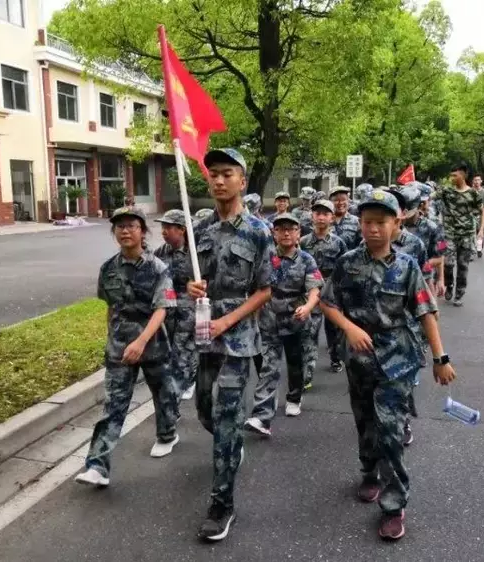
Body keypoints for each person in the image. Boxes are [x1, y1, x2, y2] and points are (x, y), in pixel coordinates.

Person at [319, 188, 456, 541]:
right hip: (360, 360)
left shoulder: (408, 266)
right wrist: (348, 328)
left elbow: (426, 312)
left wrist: (440, 359)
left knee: (391, 431)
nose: (373, 229)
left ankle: (394, 504)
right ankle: (369, 472)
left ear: (397, 224)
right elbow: (327, 302)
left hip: (397, 359)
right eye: (367, 222)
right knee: (364, 421)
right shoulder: (348, 262)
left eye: (381, 222)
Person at [186, 148, 275, 542]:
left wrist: (229, 319)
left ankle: (222, 504)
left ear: (242, 181)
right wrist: (192, 287)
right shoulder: (200, 230)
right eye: (214, 175)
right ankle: (231, 443)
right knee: (203, 407)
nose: (219, 181)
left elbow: (266, 290)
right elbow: (191, 278)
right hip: (206, 335)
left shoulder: (258, 231)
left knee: (225, 417)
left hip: (237, 338)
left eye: (227, 174)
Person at [75, 206, 179, 488]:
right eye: (119, 226)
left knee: (164, 394)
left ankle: (167, 433)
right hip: (120, 346)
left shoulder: (158, 268)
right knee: (114, 405)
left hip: (152, 342)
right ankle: (97, 465)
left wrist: (141, 342)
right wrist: (114, 338)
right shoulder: (108, 269)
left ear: (142, 232)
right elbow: (111, 308)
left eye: (131, 225)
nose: (125, 231)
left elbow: (162, 310)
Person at [244, 213, 323, 436]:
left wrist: (308, 307)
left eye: (291, 229)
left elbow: (315, 289)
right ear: (274, 233)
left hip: (295, 319)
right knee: (268, 365)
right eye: (281, 229)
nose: (286, 233)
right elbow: (255, 287)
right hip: (268, 320)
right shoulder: (265, 257)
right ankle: (262, 416)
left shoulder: (306, 259)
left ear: (299, 233)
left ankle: (294, 397)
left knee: (295, 361)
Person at [153, 210, 197, 403]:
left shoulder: (194, 253)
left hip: (188, 308)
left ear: (181, 230)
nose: (164, 232)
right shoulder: (160, 253)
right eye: (163, 227)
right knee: (171, 348)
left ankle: (179, 390)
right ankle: (186, 378)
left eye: (168, 227)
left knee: (180, 349)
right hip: (167, 308)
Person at [300, 199, 348, 377]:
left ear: (332, 218)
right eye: (317, 213)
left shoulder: (338, 243)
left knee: (333, 329)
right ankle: (308, 369)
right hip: (310, 292)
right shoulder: (303, 242)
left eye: (325, 214)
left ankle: (335, 358)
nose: (321, 217)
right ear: (312, 216)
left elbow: (345, 270)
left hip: (332, 292)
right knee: (310, 330)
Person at [432, 165, 484, 306]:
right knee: (448, 263)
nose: (452, 178)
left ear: (463, 176)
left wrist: (480, 230)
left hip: (466, 235)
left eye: (455, 175)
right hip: (448, 234)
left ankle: (459, 293)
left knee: (463, 266)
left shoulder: (473, 194)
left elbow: (481, 211)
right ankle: (449, 284)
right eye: (451, 175)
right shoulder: (446, 191)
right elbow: (430, 197)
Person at [401, 185, 446, 297]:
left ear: (418, 206)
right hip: (398, 282)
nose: (405, 217)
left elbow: (440, 256)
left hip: (423, 282)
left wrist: (440, 279)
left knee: (426, 311)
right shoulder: (395, 224)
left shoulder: (434, 226)